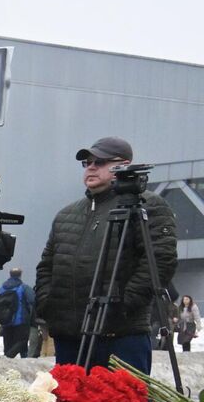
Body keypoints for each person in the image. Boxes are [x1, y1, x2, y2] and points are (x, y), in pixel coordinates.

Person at [36, 137, 178, 372]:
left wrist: (123, 305)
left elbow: (160, 262)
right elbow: (47, 265)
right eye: (87, 163)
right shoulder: (66, 214)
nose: (91, 167)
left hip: (121, 334)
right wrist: (47, 305)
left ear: (123, 165)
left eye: (99, 162)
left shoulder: (148, 205)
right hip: (69, 334)